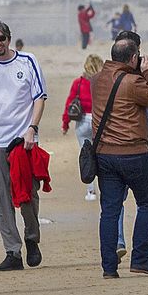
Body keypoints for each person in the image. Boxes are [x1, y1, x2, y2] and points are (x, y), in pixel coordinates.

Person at [90, 35, 148, 277]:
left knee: (110, 210)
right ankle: (140, 259)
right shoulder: (134, 82)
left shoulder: (97, 79)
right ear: (134, 58)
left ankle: (109, 267)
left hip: (104, 154)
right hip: (133, 152)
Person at [0, 19, 46, 271]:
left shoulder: (27, 61)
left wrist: (32, 128)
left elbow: (39, 98)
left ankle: (32, 238)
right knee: (3, 198)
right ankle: (12, 251)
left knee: (28, 194)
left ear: (9, 38)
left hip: (23, 140)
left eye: (2, 38)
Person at [62, 54, 103, 202]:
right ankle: (104, 187)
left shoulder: (78, 83)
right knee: (101, 156)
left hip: (83, 122)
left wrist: (65, 123)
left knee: (86, 156)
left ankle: (91, 191)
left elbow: (69, 103)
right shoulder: (103, 83)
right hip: (99, 121)